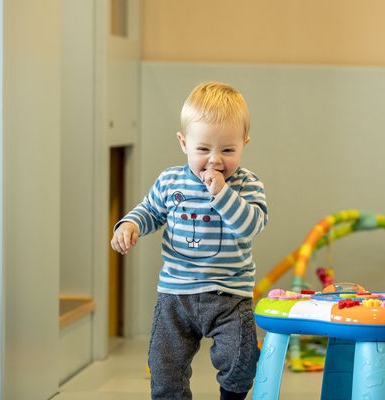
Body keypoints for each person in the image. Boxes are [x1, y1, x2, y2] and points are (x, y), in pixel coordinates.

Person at [111, 82, 267, 400]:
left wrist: (222, 193)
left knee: (241, 361)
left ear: (244, 144)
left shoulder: (248, 185)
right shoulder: (170, 181)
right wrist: (129, 224)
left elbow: (249, 226)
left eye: (227, 150)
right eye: (203, 149)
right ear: (184, 143)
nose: (214, 161)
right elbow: (150, 211)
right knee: (165, 366)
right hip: (176, 295)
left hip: (230, 295)